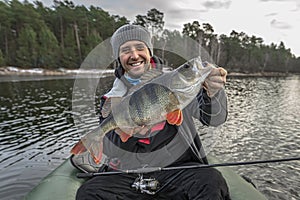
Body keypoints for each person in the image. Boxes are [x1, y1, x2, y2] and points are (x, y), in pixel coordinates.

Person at [71, 24, 230, 200]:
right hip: (128, 175)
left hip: (177, 170)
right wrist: (130, 134)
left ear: (149, 52)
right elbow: (111, 149)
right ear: (118, 57)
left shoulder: (180, 84)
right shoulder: (112, 99)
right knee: (88, 193)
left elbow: (215, 119)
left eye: (140, 47)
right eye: (125, 50)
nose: (134, 55)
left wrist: (213, 94)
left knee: (211, 182)